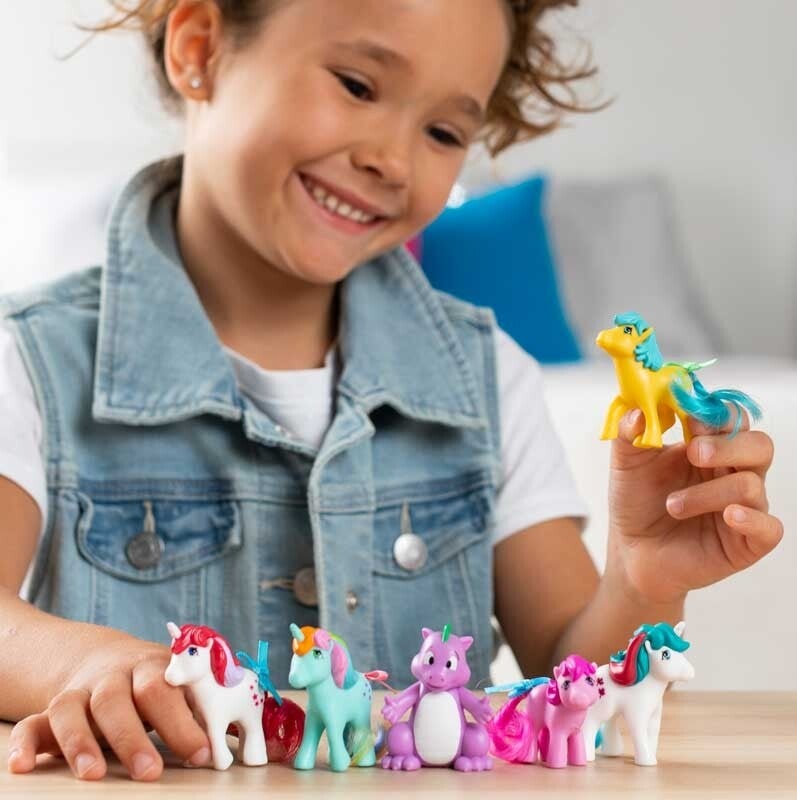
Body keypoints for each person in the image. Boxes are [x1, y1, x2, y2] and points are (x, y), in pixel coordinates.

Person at [1, 0, 781, 783]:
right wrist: (84, 664)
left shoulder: (486, 375)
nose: (393, 161)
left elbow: (569, 682)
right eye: (356, 85)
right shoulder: (29, 357)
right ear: (200, 48)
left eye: (442, 132)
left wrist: (642, 582)